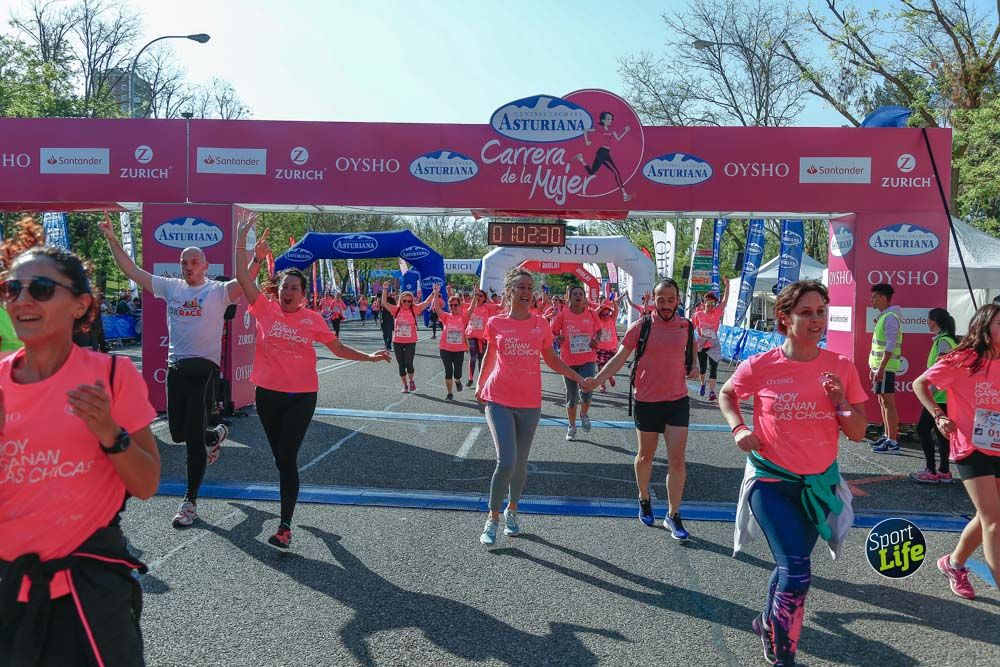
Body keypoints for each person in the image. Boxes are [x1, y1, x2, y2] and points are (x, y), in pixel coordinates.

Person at [0, 226, 160, 665]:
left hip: (87, 593)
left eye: (41, 288)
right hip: (8, 591)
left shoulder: (112, 376)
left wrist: (108, 431)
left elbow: (147, 483)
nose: (22, 299)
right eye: (12, 288)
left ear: (81, 304)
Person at [717, 280, 868, 667]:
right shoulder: (762, 365)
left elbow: (857, 432)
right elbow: (727, 393)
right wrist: (739, 428)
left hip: (818, 486)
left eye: (820, 311)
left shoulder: (839, 367)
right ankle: (785, 657)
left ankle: (767, 621)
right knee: (798, 572)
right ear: (784, 318)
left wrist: (839, 402)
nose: (816, 320)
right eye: (805, 312)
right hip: (771, 483)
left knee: (792, 563)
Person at [234, 217, 389, 548]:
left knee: (287, 458)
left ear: (303, 295)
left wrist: (370, 357)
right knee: (280, 459)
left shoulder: (312, 319)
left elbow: (338, 347)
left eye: (294, 288)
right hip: (267, 395)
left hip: (301, 397)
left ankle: (285, 526)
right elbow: (242, 278)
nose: (288, 292)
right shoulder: (264, 309)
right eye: (284, 287)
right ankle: (300, 524)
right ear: (277, 291)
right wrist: (245, 245)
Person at [100, 213, 240, 528]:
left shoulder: (218, 292)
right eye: (183, 262)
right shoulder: (171, 288)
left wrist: (252, 254)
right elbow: (132, 271)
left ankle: (190, 502)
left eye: (193, 262)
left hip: (204, 371)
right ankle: (214, 434)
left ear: (205, 266)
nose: (188, 266)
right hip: (176, 369)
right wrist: (111, 239)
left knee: (191, 441)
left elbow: (245, 280)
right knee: (178, 433)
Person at [476, 267, 589, 546]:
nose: (526, 292)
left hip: (529, 402)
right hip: (498, 398)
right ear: (510, 292)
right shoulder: (496, 323)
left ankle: (512, 510)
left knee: (521, 462)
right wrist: (479, 384)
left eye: (529, 287)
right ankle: (492, 518)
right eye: (521, 287)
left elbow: (551, 359)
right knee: (506, 461)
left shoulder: (540, 324)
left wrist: (577, 377)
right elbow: (491, 354)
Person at [588, 279, 699, 539]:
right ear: (654, 301)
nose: (666, 305)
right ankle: (644, 497)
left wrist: (694, 368)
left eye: (671, 300)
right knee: (645, 457)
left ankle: (673, 515)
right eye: (661, 300)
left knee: (677, 461)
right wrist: (597, 380)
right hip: (647, 401)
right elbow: (619, 358)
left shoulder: (686, 325)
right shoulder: (642, 326)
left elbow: (691, 357)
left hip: (677, 401)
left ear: (678, 300)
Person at [915, 303, 1000, 601]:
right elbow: (920, 383)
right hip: (969, 446)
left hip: (998, 445)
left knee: (989, 515)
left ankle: (953, 564)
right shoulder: (962, 359)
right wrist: (938, 415)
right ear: (985, 327)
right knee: (993, 520)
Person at [910, 308, 959, 484]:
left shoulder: (943, 341)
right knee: (941, 433)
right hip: (945, 396)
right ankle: (944, 471)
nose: (926, 323)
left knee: (922, 429)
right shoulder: (947, 340)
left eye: (928, 320)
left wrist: (928, 391)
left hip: (938, 396)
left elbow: (942, 369)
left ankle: (931, 470)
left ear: (933, 321)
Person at [551, 285, 602, 440]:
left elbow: (599, 331)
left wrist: (596, 340)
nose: (578, 296)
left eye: (581, 294)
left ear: (584, 297)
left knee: (587, 392)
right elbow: (553, 332)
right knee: (571, 397)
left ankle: (584, 413)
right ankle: (572, 426)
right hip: (568, 362)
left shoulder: (592, 314)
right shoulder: (562, 314)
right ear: (570, 297)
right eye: (575, 294)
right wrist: (557, 338)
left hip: (587, 359)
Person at [869, 283, 904, 453]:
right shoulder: (885, 316)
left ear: (883, 297)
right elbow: (880, 346)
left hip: (887, 367)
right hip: (881, 367)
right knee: (883, 401)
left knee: (888, 402)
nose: (872, 300)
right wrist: (874, 366)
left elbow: (890, 344)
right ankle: (887, 435)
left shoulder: (890, 316)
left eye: (875, 296)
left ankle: (892, 440)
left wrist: (881, 367)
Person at [380, 282, 433, 393]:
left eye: (409, 301)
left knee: (409, 363)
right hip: (398, 341)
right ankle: (404, 385)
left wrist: (434, 293)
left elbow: (425, 303)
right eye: (404, 301)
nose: (407, 303)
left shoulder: (414, 309)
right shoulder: (396, 310)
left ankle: (411, 381)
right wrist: (385, 288)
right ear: (400, 301)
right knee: (401, 365)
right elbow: (384, 303)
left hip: (410, 341)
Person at [692, 279, 730, 402]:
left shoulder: (717, 312)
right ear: (704, 303)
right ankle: (703, 384)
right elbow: (693, 328)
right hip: (701, 344)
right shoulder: (698, 315)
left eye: (713, 303)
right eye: (708, 303)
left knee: (713, 368)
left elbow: (724, 302)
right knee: (702, 368)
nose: (711, 306)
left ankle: (712, 392)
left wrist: (727, 286)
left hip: (713, 344)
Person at [434, 287, 468, 400]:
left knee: (457, 373)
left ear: (459, 306)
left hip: (459, 350)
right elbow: (437, 307)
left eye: (455, 305)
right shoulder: (446, 316)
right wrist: (435, 293)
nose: (453, 307)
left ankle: (457, 381)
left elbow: (472, 308)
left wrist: (476, 296)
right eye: (451, 305)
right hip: (445, 348)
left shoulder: (463, 317)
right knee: (448, 371)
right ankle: (449, 393)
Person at [465, 288, 500, 388]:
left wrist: (507, 294)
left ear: (484, 298)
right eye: (477, 295)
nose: (478, 297)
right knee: (473, 357)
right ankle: (470, 378)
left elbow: (501, 306)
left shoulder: (488, 307)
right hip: (471, 335)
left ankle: (480, 381)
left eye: (481, 296)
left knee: (481, 360)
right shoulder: (471, 306)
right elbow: (458, 305)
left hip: (484, 338)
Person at [595, 296, 620, 393]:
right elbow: (594, 314)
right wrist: (601, 307)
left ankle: (610, 377)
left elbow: (616, 310)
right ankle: (602, 385)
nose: (606, 316)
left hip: (612, 348)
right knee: (601, 367)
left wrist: (614, 303)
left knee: (610, 367)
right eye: (603, 314)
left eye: (607, 314)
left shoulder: (611, 319)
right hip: (600, 348)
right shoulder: (598, 321)